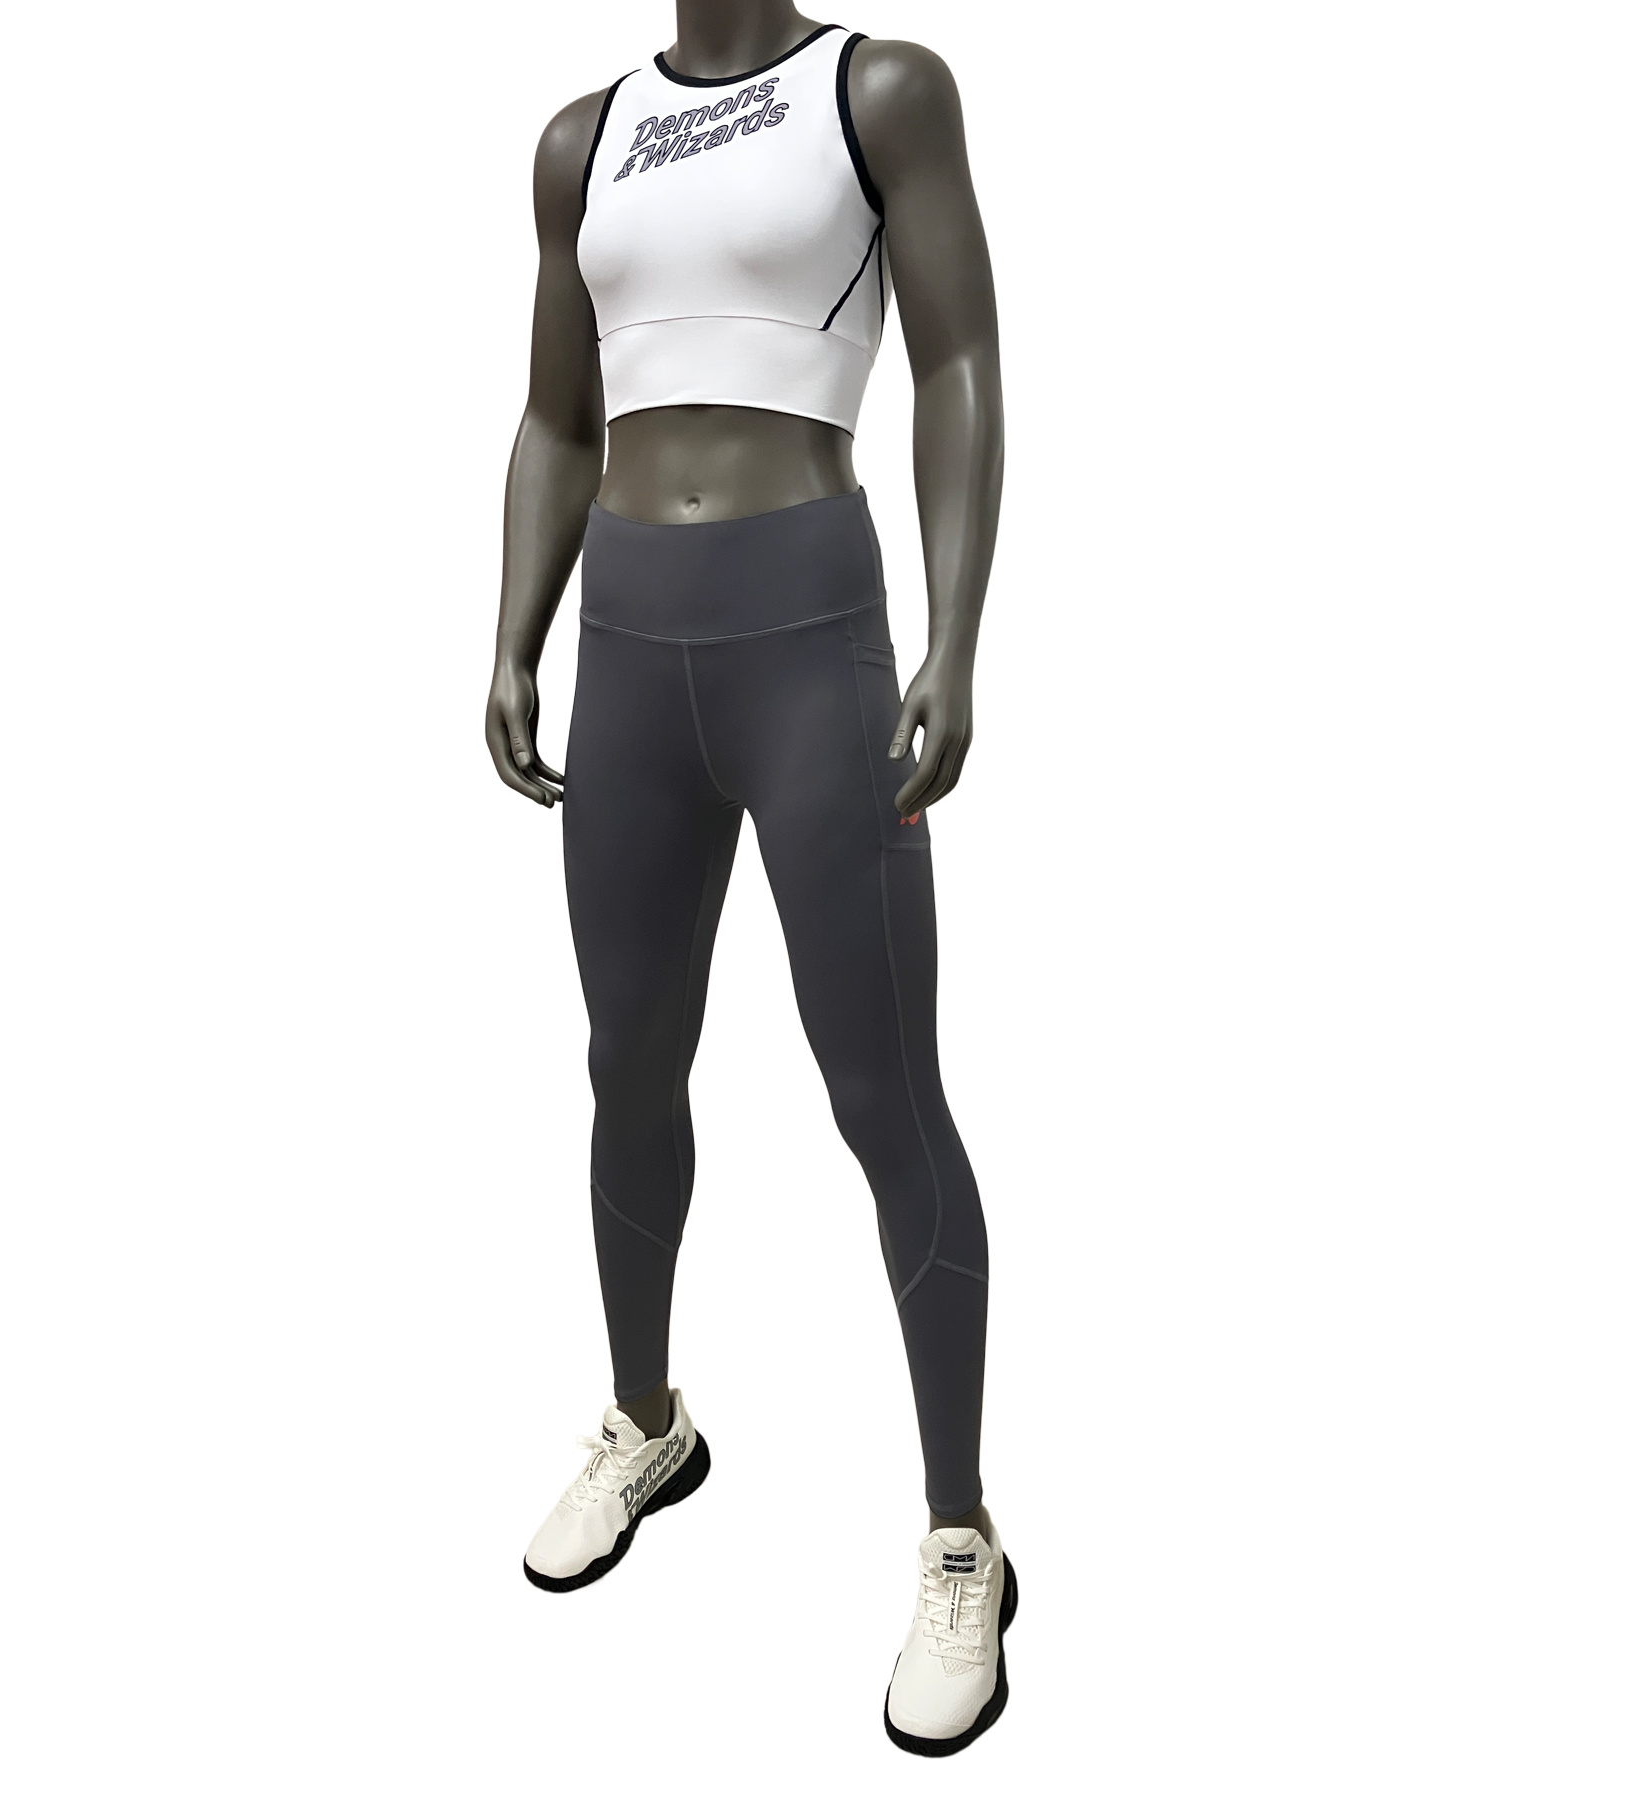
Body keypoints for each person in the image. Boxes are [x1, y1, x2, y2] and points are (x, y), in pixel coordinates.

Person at [484, 2, 1012, 1754]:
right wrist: (513, 635)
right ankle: (647, 1423)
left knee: (883, 1091)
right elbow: (555, 417)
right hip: (631, 644)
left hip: (809, 637)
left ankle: (960, 1538)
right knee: (627, 1064)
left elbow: (957, 361)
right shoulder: (584, 138)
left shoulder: (880, 91)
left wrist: (955, 640)